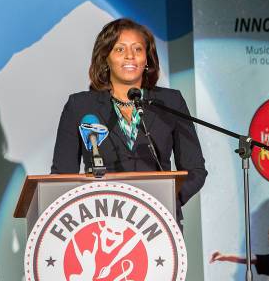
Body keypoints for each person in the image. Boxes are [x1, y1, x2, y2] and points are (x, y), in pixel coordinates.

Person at [51, 18, 207, 224]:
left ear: (147, 60)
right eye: (119, 49)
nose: (130, 56)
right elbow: (62, 174)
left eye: (138, 49)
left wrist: (169, 200)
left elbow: (195, 169)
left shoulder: (170, 102)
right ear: (105, 58)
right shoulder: (80, 106)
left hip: (159, 221)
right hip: (100, 222)